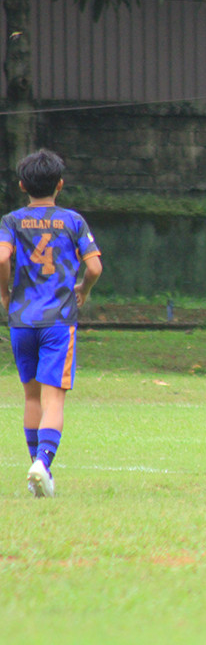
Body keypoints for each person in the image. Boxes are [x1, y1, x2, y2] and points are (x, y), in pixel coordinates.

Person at [0, 149, 103, 497]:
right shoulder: (73, 220)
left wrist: (5, 292)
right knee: (53, 398)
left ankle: (36, 470)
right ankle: (42, 463)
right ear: (60, 184)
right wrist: (83, 292)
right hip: (58, 321)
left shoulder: (11, 220)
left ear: (21, 185)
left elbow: (1, 258)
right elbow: (94, 268)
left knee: (31, 396)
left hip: (22, 320)